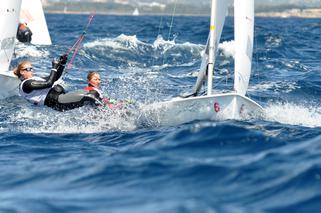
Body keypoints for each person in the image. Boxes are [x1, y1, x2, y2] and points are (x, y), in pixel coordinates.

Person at [14, 54, 99, 111]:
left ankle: (101, 112)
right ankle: (107, 112)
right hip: (57, 102)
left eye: (32, 69)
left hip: (61, 97)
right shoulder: (26, 84)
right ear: (22, 72)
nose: (31, 71)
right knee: (89, 96)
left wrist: (62, 64)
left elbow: (55, 78)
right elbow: (49, 83)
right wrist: (54, 67)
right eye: (28, 69)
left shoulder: (34, 79)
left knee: (93, 93)